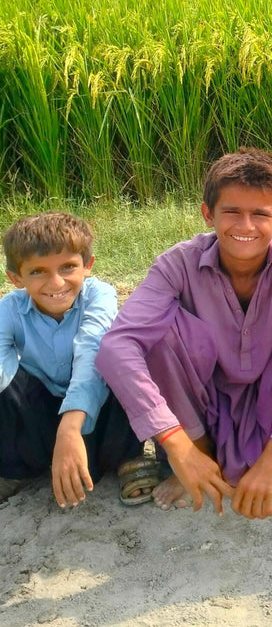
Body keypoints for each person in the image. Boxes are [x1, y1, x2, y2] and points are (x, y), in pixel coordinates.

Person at [95, 148, 272, 519]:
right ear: (207, 213)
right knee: (155, 334)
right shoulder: (177, 263)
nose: (245, 226)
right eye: (231, 212)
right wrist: (175, 442)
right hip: (206, 396)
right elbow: (116, 347)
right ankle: (200, 455)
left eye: (260, 214)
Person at [1, 212, 150, 508]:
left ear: (88, 266)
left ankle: (127, 458)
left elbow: (91, 351)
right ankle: (15, 468)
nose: (56, 283)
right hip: (44, 418)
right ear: (16, 277)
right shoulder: (9, 308)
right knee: (8, 384)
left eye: (68, 267)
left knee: (120, 357)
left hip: (102, 415)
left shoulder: (100, 295)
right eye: (37, 272)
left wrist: (70, 428)